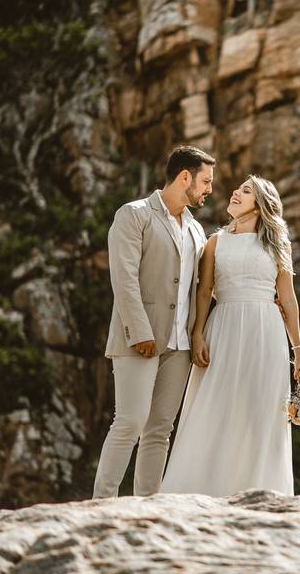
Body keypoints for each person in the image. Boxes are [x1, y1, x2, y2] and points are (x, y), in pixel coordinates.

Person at [159, 175, 300, 497]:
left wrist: (298, 351)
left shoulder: (277, 245)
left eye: (246, 191)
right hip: (223, 326)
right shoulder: (215, 242)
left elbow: (288, 300)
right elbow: (204, 292)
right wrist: (198, 333)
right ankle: (200, 489)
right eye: (238, 188)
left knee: (261, 410)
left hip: (266, 332)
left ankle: (260, 489)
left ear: (261, 204)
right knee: (214, 406)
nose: (236, 193)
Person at [92, 145, 215, 499]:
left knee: (160, 429)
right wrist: (139, 332)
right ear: (185, 177)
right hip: (139, 339)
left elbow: (202, 286)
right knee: (129, 422)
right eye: (205, 181)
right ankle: (101, 503)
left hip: (180, 346)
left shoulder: (196, 229)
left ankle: (147, 507)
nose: (209, 190)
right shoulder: (134, 215)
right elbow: (124, 278)